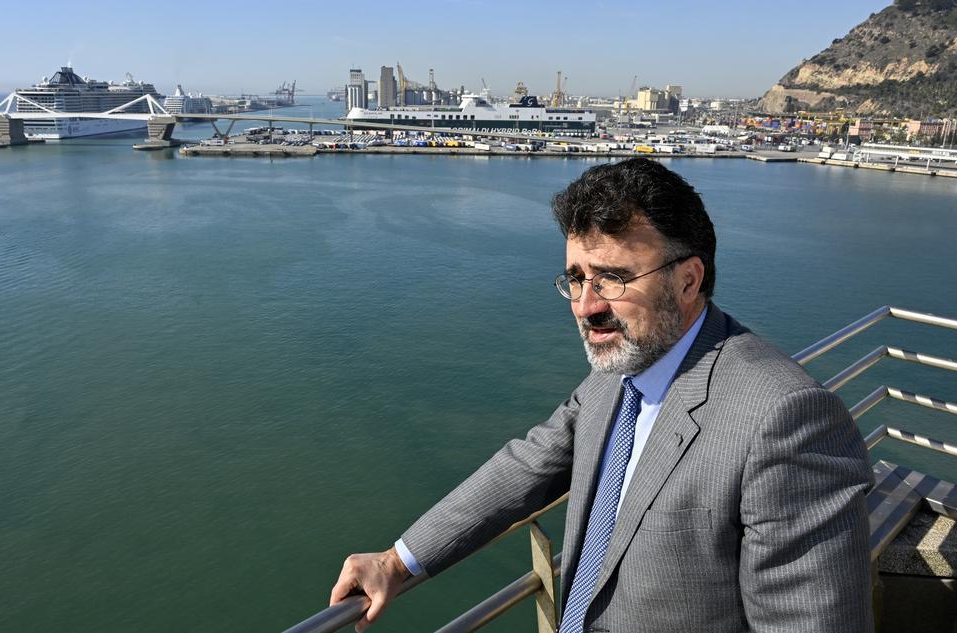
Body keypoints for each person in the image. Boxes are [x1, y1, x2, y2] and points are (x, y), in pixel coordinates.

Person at [329, 158, 873, 633]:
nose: (586, 306)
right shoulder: (618, 373)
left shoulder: (786, 419)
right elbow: (526, 467)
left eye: (611, 278)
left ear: (688, 280)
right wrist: (397, 562)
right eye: (575, 279)